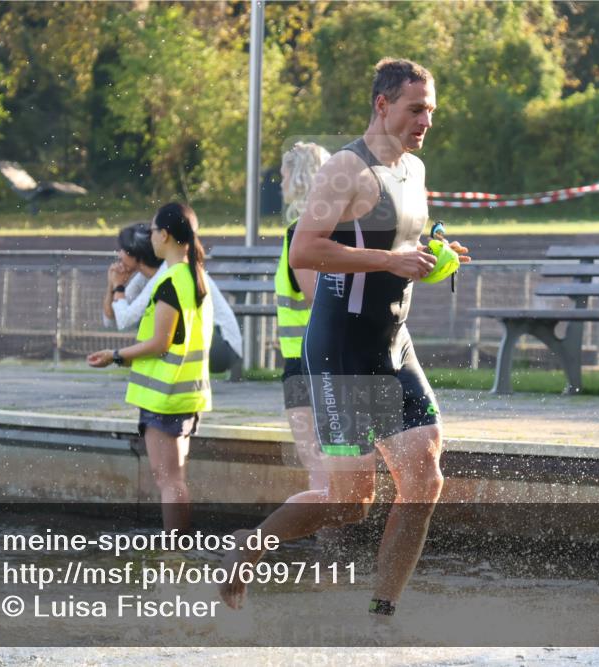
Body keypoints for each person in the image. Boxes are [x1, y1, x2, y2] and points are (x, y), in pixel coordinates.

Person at [220, 58, 469, 617]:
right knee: (349, 502)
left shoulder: (415, 170)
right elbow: (304, 249)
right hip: (343, 352)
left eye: (430, 109)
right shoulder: (344, 168)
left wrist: (436, 256)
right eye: (414, 109)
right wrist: (390, 258)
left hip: (393, 343)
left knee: (424, 480)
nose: (425, 119)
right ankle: (249, 546)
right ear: (382, 104)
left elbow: (403, 243)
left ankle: (383, 614)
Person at [88, 202, 214, 532]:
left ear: (166, 235)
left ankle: (175, 555)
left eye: (154, 231)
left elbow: (160, 342)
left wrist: (115, 355)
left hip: (166, 396)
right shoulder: (191, 274)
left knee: (170, 481)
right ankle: (179, 552)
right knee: (175, 479)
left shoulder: (172, 281)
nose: (151, 237)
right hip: (182, 393)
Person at [103, 222, 242, 374]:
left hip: (223, 348)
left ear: (134, 253)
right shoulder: (145, 277)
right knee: (151, 320)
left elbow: (125, 322)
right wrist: (112, 286)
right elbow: (111, 321)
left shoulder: (165, 273)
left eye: (122, 250)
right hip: (208, 343)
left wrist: (119, 287)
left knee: (152, 320)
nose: (118, 255)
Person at [275, 141, 331, 492]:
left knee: (318, 466)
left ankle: (327, 546)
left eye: (283, 176)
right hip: (321, 359)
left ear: (297, 179)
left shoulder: (300, 231)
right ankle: (334, 544)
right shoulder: (329, 228)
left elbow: (316, 296)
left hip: (306, 361)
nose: (279, 184)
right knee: (332, 463)